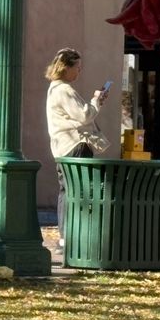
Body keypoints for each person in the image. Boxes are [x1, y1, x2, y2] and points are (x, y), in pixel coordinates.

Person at [45, 48, 107, 247]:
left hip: (62, 147)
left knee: (67, 190)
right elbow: (84, 115)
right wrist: (96, 101)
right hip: (75, 144)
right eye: (77, 67)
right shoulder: (64, 90)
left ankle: (66, 238)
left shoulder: (55, 89)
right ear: (66, 67)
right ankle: (75, 237)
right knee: (80, 191)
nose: (79, 71)